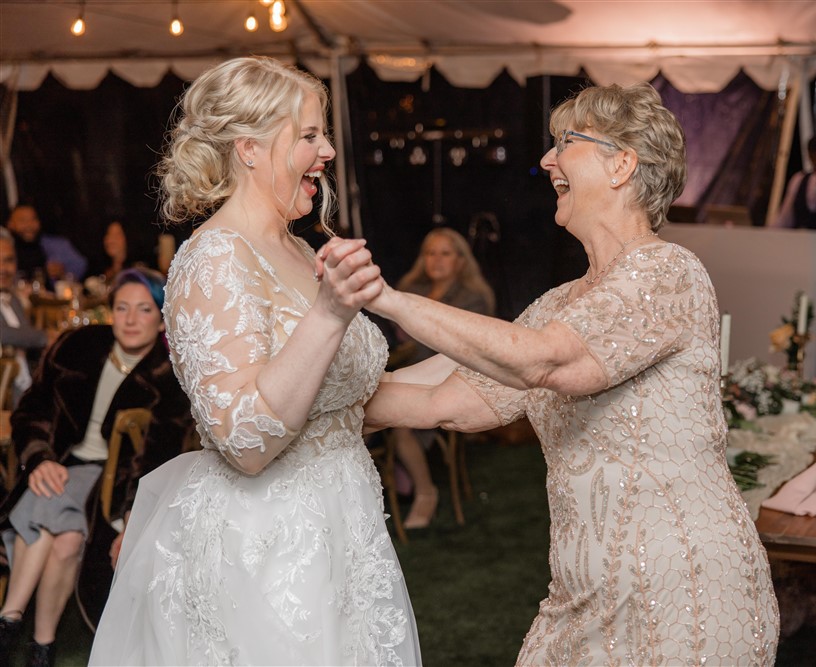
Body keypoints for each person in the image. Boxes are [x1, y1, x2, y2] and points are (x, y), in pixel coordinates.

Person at [363, 83, 780, 665]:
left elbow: (548, 360)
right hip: (580, 597)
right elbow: (449, 400)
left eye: (566, 143)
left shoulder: (667, 272)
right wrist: (304, 408)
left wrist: (388, 299)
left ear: (622, 164)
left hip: (681, 586)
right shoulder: (561, 303)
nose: (546, 160)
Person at [89, 56, 420, 666]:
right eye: (309, 135)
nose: (326, 151)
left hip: (344, 527)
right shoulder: (215, 258)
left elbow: (351, 393)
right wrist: (327, 314)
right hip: (267, 552)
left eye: (324, 134)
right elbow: (244, 441)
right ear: (248, 147)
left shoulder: (296, 247)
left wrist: (516, 369)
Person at [0, 267, 191, 667]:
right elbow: (32, 408)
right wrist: (38, 457)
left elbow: (157, 458)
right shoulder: (77, 346)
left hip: (109, 482)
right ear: (110, 312)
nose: (131, 319)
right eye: (122, 308)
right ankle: (40, 644)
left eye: (144, 309)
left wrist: (131, 519)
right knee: (63, 531)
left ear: (160, 317)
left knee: (58, 519)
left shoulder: (167, 376)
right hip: (62, 464)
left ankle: (9, 619)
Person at [391, 227, 494, 528]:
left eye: (445, 254)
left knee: (400, 424)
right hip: (406, 372)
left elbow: (462, 350)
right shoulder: (410, 289)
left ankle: (425, 492)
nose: (436, 260)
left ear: (461, 260)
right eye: (430, 253)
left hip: (449, 377)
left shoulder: (473, 298)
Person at [0, 229, 50, 405]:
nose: (3, 268)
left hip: (26, 393)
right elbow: (4, 333)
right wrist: (45, 337)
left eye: (8, 260)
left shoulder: (13, 300)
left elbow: (27, 344)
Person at [4, 204, 88, 285]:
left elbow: (80, 265)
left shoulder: (55, 246)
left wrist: (63, 273)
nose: (29, 225)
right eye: (23, 220)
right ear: (10, 224)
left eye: (33, 219)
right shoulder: (6, 249)